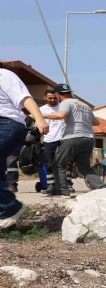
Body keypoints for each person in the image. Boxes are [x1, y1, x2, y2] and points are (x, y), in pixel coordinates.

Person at [0, 67, 49, 228]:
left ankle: (11, 207)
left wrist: (39, 118)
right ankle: (5, 215)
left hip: (7, 124)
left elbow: (25, 98)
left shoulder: (4, 75)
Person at [41, 83, 104, 197]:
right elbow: (96, 122)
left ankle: (63, 190)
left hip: (73, 138)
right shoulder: (84, 105)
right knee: (84, 167)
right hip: (88, 139)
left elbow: (61, 115)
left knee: (58, 163)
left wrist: (41, 116)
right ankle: (101, 187)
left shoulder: (66, 102)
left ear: (57, 94)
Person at [39, 89, 66, 194]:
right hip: (49, 139)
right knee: (49, 163)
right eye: (50, 98)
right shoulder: (41, 110)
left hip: (63, 138)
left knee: (64, 162)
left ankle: (67, 184)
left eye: (54, 98)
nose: (52, 100)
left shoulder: (63, 107)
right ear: (45, 97)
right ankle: (51, 185)